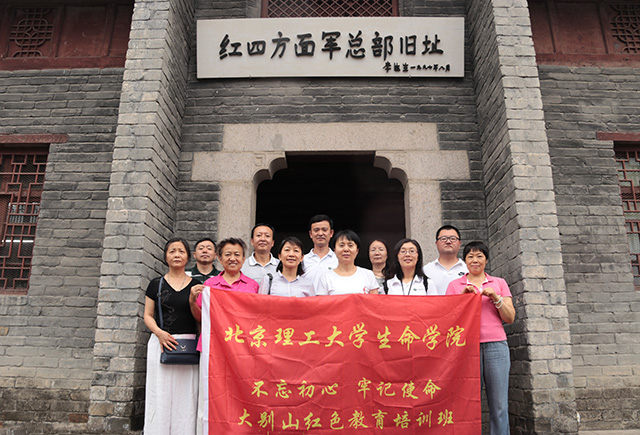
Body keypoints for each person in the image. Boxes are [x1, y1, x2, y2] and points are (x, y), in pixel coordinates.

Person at [189, 237, 259, 435]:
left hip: (242, 349)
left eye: (237, 254)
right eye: (227, 254)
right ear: (219, 258)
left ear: (244, 259)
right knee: (211, 392)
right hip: (213, 348)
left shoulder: (252, 286)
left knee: (240, 392)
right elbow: (200, 317)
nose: (232, 258)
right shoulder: (210, 285)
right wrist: (192, 300)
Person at [446, 241, 515, 435]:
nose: (475, 260)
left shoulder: (499, 283)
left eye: (479, 256)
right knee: (466, 402)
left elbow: (510, 317)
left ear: (486, 259)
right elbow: (449, 321)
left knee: (499, 404)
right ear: (465, 261)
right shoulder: (454, 285)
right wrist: (462, 298)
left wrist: (496, 298)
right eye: (470, 256)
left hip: (496, 346)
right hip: (466, 349)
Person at [143, 237, 201, 435]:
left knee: (186, 395)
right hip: (160, 343)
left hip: (188, 345)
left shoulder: (196, 284)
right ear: (166, 256)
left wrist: (193, 301)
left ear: (188, 257)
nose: (177, 255)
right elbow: (147, 315)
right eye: (172, 251)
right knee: (159, 392)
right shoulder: (155, 284)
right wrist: (159, 333)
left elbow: (200, 318)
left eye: (181, 251)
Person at [315, 230, 379, 295]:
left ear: (357, 250)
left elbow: (375, 300)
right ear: (334, 250)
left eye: (350, 245)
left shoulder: (368, 275)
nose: (346, 249)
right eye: (341, 245)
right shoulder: (325, 278)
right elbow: (321, 301)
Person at [423, 225, 468, 295]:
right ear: (436, 243)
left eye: (453, 239)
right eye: (443, 239)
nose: (448, 241)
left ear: (459, 244)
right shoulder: (426, 270)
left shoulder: (468, 269)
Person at [302, 214, 339, 288]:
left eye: (324, 230)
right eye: (316, 230)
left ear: (331, 233)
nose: (320, 233)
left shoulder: (338, 259)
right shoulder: (302, 260)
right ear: (310, 234)